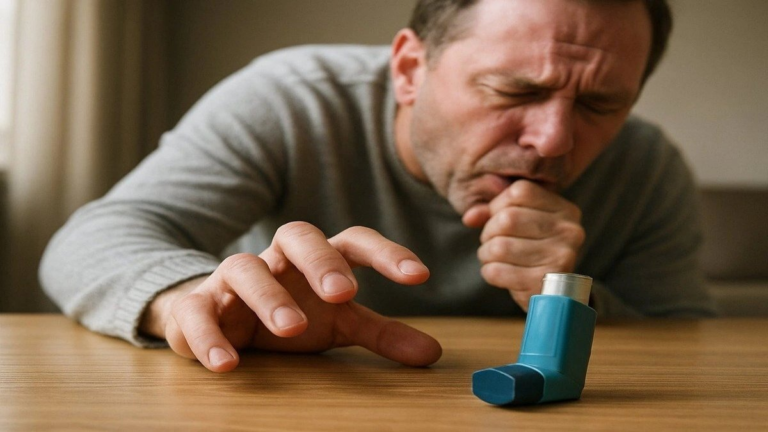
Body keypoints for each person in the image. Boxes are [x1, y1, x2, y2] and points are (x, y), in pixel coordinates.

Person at [40, 0, 717, 373]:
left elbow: (689, 344)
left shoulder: (646, 164)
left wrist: (572, 299)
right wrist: (190, 300)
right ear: (409, 69)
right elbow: (92, 239)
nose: (554, 139)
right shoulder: (290, 100)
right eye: (515, 89)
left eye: (601, 105)